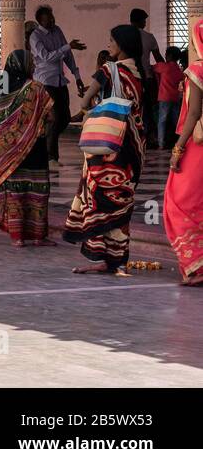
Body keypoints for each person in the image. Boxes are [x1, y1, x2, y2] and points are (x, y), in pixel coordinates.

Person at [64, 25, 144, 276]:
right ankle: (118, 260)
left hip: (107, 147)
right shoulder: (140, 73)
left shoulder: (108, 71)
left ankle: (100, 256)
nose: (108, 44)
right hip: (133, 148)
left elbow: (85, 101)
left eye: (111, 40)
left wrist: (99, 113)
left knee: (98, 197)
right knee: (121, 201)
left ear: (121, 44)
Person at [0, 49, 54, 247]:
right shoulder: (36, 88)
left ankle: (17, 237)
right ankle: (37, 237)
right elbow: (51, 116)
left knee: (15, 192)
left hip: (8, 151)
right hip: (33, 147)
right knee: (36, 190)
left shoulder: (3, 86)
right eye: (32, 63)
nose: (35, 66)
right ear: (26, 65)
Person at [166, 21, 203, 286]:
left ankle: (196, 265)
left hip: (197, 147)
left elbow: (193, 114)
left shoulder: (197, 71)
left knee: (179, 203)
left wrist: (177, 149)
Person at [30, 5, 87, 169]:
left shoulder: (57, 31)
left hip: (60, 81)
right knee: (54, 118)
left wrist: (77, 76)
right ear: (41, 19)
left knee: (64, 118)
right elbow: (46, 57)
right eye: (49, 18)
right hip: (45, 81)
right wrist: (67, 46)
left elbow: (67, 55)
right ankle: (51, 158)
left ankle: (44, 141)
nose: (53, 20)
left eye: (53, 17)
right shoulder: (35, 36)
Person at [130, 8, 164, 149]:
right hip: (147, 78)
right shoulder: (149, 37)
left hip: (129, 76)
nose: (145, 22)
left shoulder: (124, 36)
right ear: (140, 21)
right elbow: (158, 59)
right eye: (144, 20)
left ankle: (132, 137)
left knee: (131, 108)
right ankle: (149, 138)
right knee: (148, 108)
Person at [156, 46, 186, 151]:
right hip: (175, 98)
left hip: (164, 98)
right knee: (176, 120)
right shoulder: (178, 69)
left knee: (162, 121)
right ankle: (179, 140)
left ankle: (161, 143)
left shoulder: (164, 67)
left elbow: (152, 68)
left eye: (166, 54)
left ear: (169, 56)